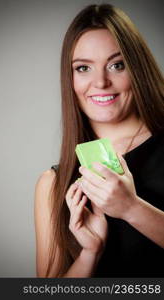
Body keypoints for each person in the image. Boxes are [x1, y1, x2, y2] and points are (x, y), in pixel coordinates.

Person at [34, 3, 164, 278]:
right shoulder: (53, 184)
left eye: (117, 65)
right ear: (69, 78)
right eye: (83, 68)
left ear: (137, 69)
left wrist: (132, 209)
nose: (101, 82)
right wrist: (90, 253)